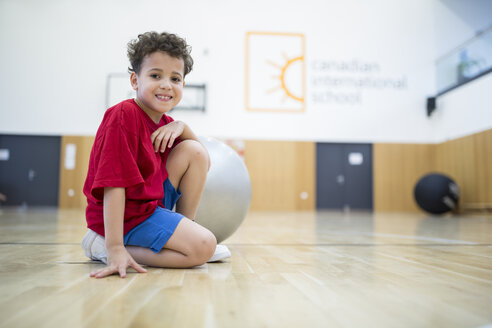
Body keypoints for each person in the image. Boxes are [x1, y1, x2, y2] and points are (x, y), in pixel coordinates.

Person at [81, 31, 230, 279]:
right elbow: (113, 184)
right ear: (134, 80)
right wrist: (115, 246)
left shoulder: (167, 122)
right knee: (203, 247)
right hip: (126, 216)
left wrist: (182, 126)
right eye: (155, 75)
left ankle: (184, 233)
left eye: (175, 78)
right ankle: (104, 246)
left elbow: (204, 161)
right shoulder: (122, 115)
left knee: (193, 150)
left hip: (149, 207)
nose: (166, 84)